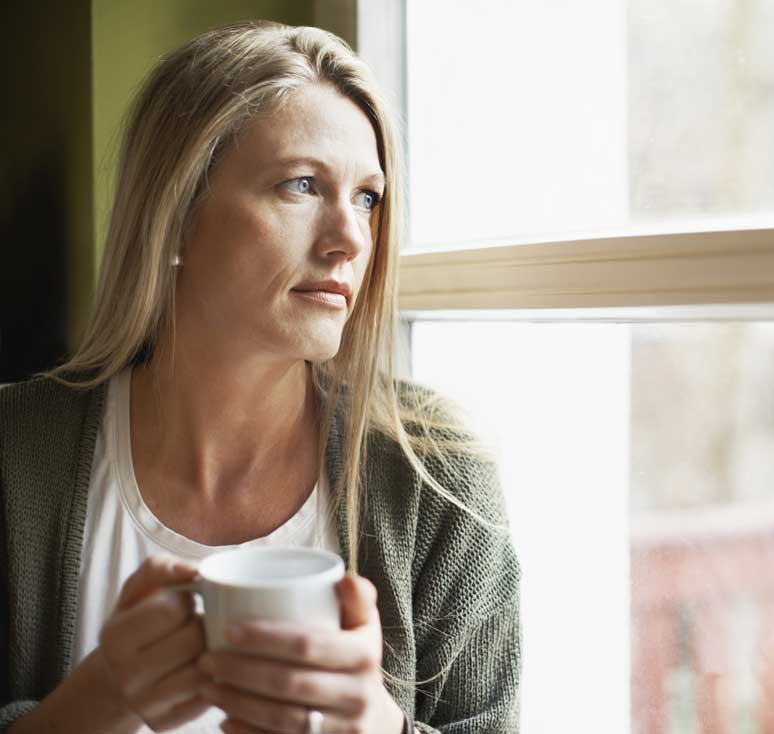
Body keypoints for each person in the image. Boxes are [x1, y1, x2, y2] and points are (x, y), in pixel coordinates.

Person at [0, 20, 521, 734]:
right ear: (177, 216)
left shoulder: (436, 480)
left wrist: (373, 726)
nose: (350, 239)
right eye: (302, 185)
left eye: (367, 196)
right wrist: (101, 701)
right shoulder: (13, 454)